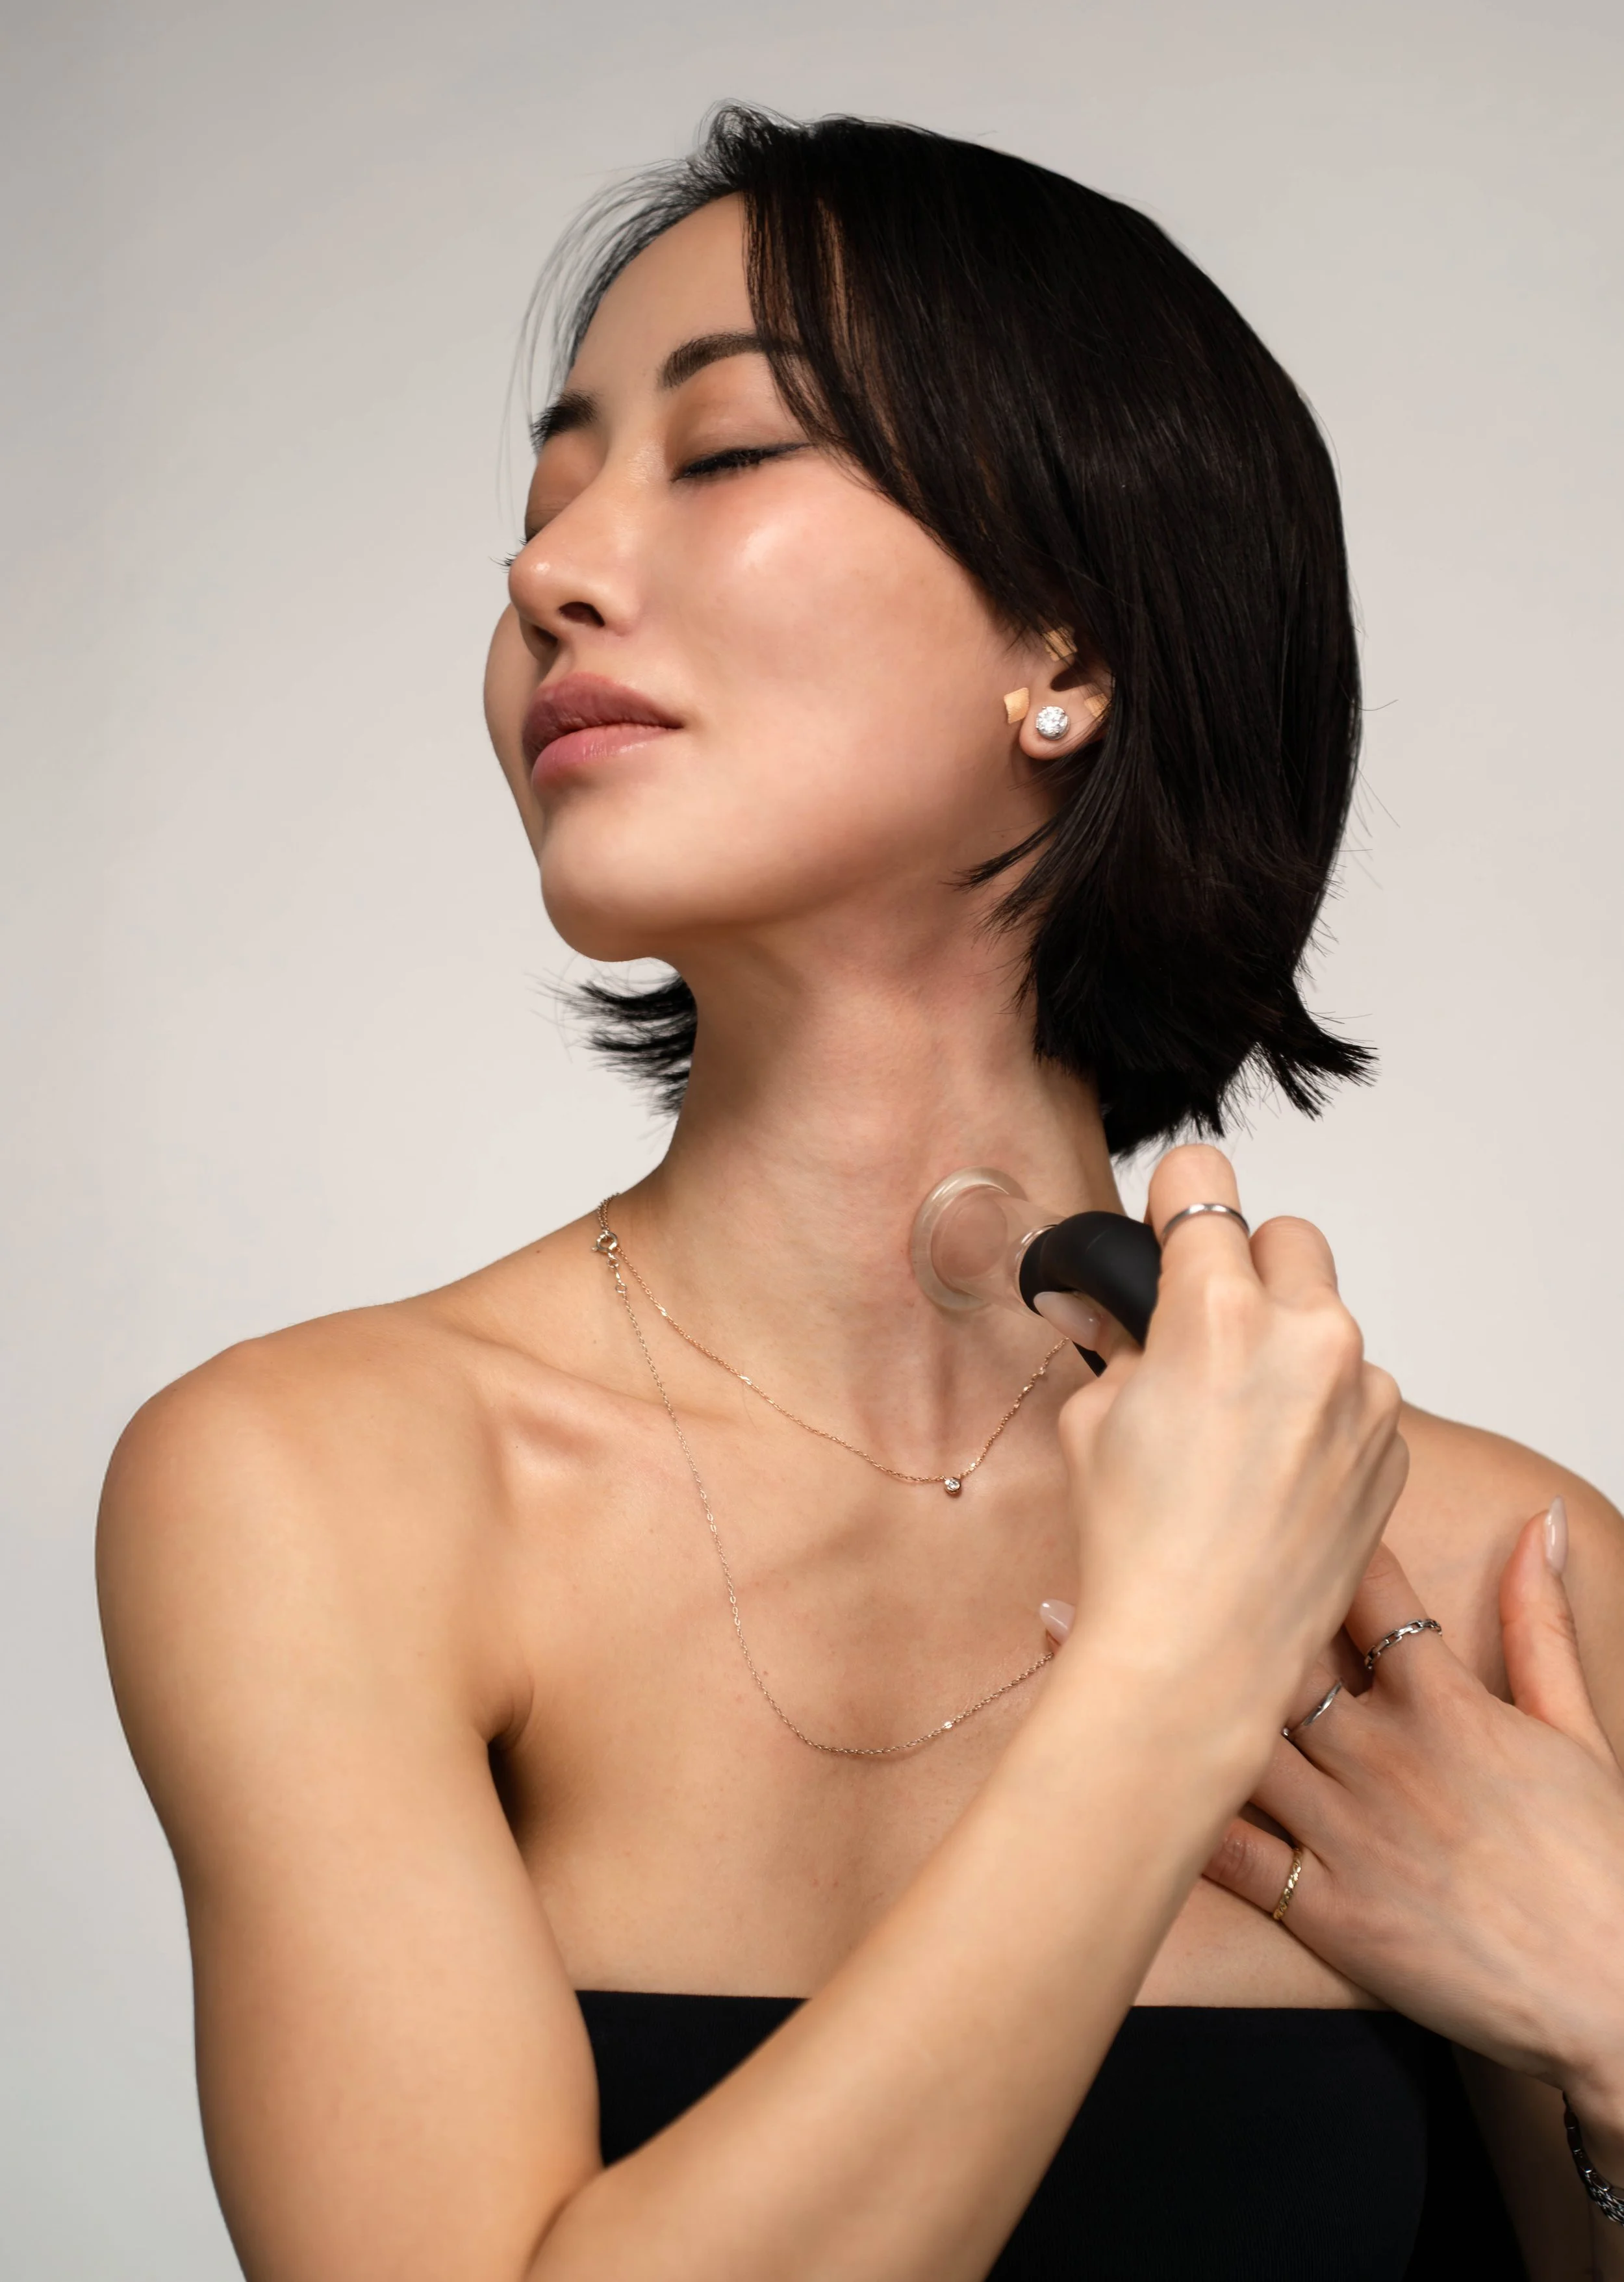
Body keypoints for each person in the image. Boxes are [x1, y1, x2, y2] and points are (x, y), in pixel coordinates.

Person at [96, 107, 1624, 2279]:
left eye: (723, 456)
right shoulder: (328, 1489)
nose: (547, 575)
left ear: (1065, 651)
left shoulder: (1486, 1573)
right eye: (540, 507)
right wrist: (1165, 1687)